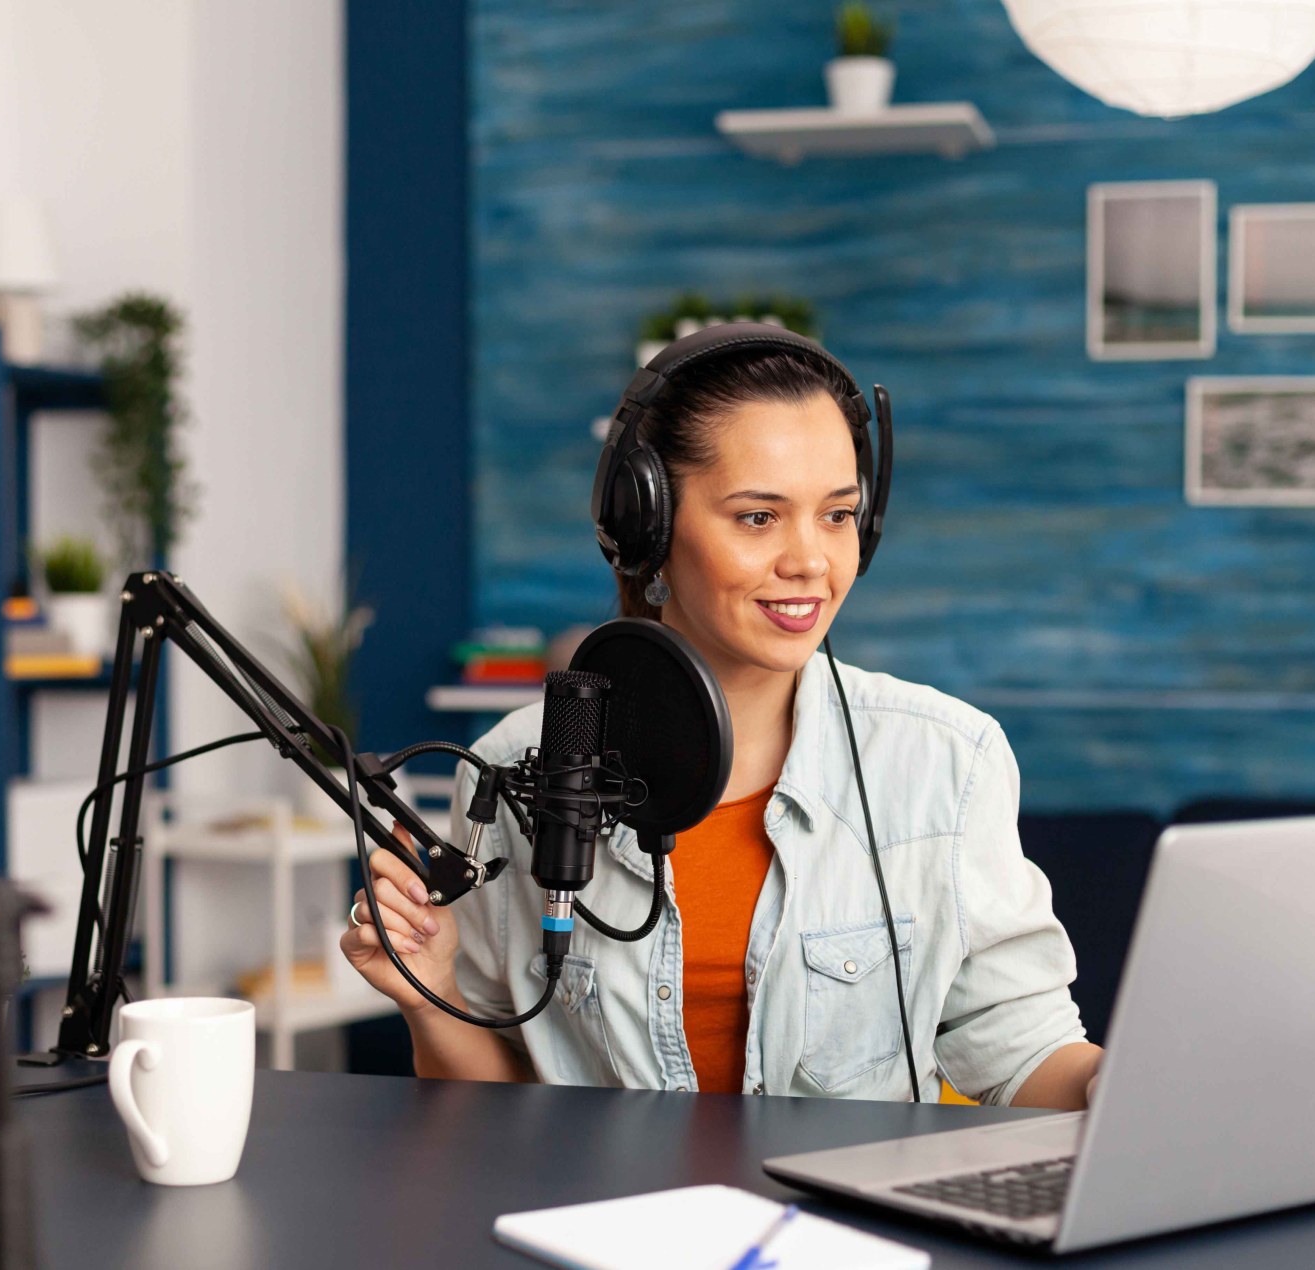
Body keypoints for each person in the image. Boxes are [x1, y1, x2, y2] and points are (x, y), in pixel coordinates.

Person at [341, 333, 1103, 1107]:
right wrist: (427, 996)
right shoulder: (524, 761)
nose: (811, 559)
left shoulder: (945, 759)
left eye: (838, 515)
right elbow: (493, 1106)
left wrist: (1122, 1081)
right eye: (759, 517)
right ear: (649, 528)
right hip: (604, 1220)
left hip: (843, 1225)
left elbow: (1022, 1053)